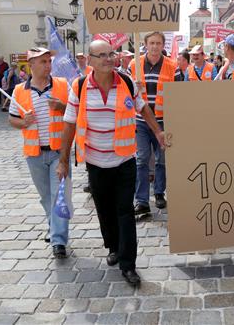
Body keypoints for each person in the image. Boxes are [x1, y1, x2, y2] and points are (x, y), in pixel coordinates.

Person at [58, 40, 169, 287]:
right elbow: (69, 124)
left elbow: (144, 108)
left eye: (111, 54)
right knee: (105, 211)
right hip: (95, 164)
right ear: (90, 60)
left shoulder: (127, 82)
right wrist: (63, 160)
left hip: (124, 161)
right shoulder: (79, 86)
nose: (109, 59)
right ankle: (113, 247)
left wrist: (158, 132)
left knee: (125, 212)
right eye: (102, 55)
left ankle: (128, 264)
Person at [8, 47, 70, 258]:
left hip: (58, 153)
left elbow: (75, 112)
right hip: (34, 154)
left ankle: (58, 241)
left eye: (49, 61)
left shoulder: (62, 85)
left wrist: (62, 106)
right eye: (42, 62)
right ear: (31, 64)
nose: (47, 65)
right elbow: (11, 119)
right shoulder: (19, 90)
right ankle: (54, 229)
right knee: (45, 197)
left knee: (58, 197)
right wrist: (22, 122)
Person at [128, 32, 183, 215]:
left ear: (163, 45)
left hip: (163, 120)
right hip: (141, 121)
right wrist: (133, 88)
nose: (154, 46)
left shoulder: (172, 66)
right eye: (151, 43)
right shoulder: (134, 64)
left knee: (162, 160)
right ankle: (142, 200)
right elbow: (126, 94)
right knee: (142, 159)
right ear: (145, 44)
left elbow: (180, 94)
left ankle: (159, 193)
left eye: (158, 43)